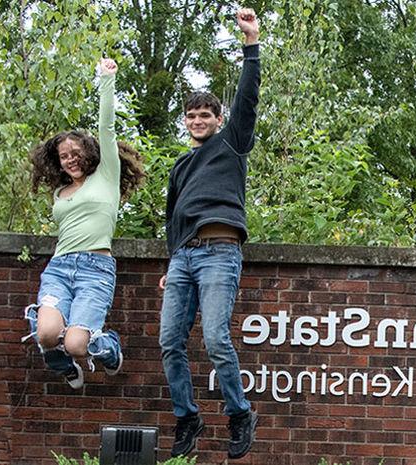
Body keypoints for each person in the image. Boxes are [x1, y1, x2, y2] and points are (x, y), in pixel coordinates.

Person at [157, 7, 263, 460]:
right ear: (185, 121)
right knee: (169, 343)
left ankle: (240, 413)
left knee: (216, 338)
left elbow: (248, 96)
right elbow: (173, 217)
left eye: (206, 114)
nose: (198, 120)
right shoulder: (181, 165)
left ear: (218, 119)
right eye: (192, 115)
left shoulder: (232, 141)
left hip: (220, 252)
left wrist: (251, 42)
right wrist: (170, 261)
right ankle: (188, 417)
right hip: (183, 257)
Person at [25, 58, 148, 389]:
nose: (71, 158)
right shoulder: (61, 193)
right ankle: (61, 363)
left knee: (77, 343)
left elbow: (107, 127)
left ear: (90, 153)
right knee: (47, 334)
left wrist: (106, 80)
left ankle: (109, 349)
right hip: (60, 267)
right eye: (64, 155)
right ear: (59, 162)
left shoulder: (106, 176)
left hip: (96, 269)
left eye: (76, 152)